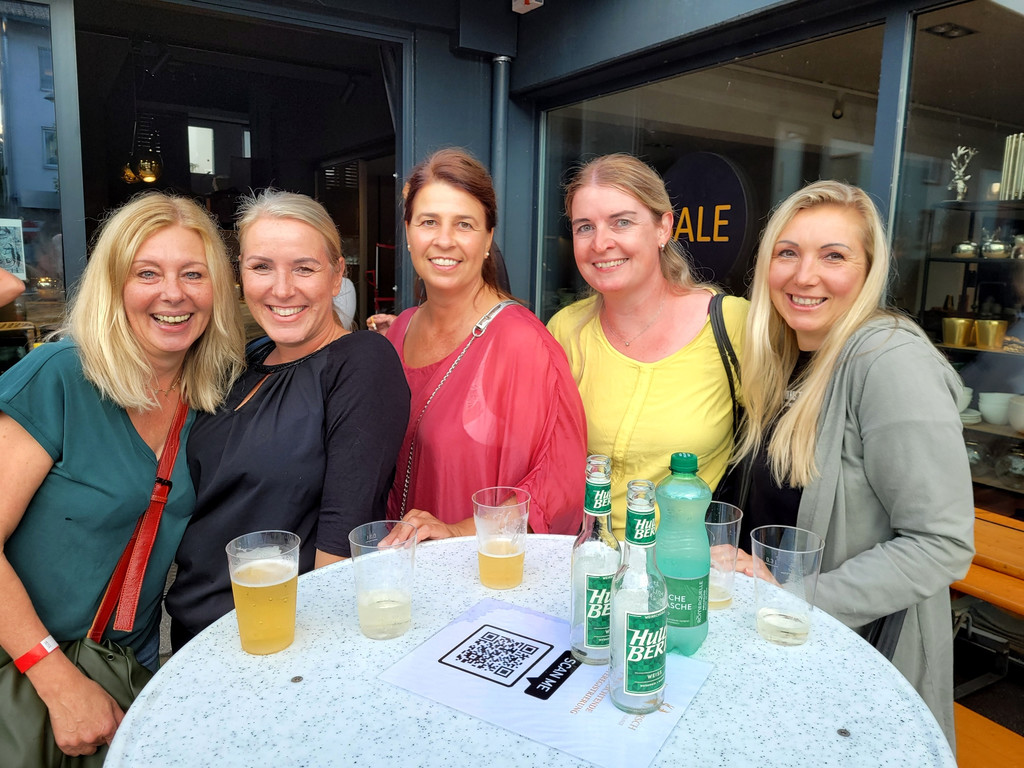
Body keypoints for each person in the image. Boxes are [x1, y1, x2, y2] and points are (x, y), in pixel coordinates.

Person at [0, 192, 244, 758]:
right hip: (29, 672)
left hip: (130, 670)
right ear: (113, 286)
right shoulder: (60, 376)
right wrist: (56, 680)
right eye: (147, 273)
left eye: (193, 273)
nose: (173, 293)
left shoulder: (210, 394)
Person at [733, 179, 974, 746]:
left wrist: (793, 599)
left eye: (834, 256)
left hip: (858, 663)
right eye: (787, 253)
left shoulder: (889, 359)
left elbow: (941, 543)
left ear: (869, 272)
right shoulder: (791, 356)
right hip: (786, 648)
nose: (804, 275)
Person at [166, 190, 409, 648]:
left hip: (279, 638)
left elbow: (343, 539)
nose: (281, 289)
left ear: (336, 275)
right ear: (240, 275)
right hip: (196, 631)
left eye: (304, 268)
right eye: (261, 267)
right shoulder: (245, 358)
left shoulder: (360, 361)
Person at [381, 148, 586, 540]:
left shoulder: (523, 344)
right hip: (399, 561)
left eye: (464, 224)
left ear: (488, 237)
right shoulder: (399, 331)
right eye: (428, 221)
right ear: (408, 232)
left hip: (481, 569)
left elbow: (556, 488)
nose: (444, 240)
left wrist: (457, 533)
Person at [548, 153, 749, 539]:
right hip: (587, 555)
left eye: (621, 222)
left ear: (663, 228)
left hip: (682, 562)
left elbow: (779, 462)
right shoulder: (565, 330)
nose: (601, 243)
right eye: (584, 227)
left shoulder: (731, 324)